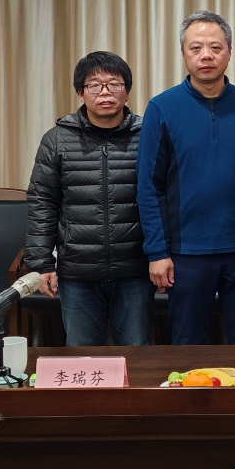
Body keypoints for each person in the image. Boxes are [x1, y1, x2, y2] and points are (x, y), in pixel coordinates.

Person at [137, 11, 235, 345]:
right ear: (184, 53)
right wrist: (157, 252)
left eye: (215, 47)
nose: (206, 55)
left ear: (229, 52)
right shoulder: (162, 108)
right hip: (186, 253)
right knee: (187, 345)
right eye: (196, 48)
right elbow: (149, 188)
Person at [26, 51, 153, 345]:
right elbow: (42, 204)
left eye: (114, 84)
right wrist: (41, 264)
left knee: (138, 353)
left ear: (127, 91)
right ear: (80, 93)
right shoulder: (57, 140)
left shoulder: (148, 134)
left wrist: (163, 255)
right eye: (94, 85)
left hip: (135, 269)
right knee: (81, 356)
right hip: (77, 272)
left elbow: (163, 198)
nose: (105, 92)